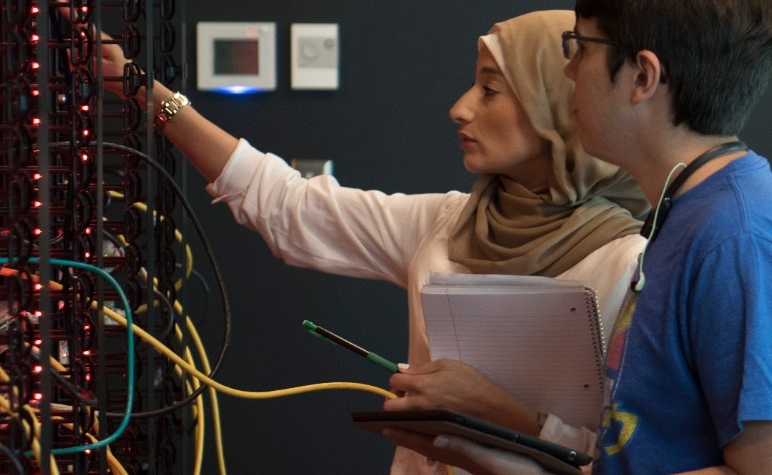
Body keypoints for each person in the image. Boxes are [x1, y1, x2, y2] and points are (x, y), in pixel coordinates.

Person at [80, 9, 648, 474]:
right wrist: (145, 94)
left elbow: (628, 456)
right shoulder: (448, 225)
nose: (461, 108)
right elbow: (288, 204)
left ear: (559, 109)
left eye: (490, 90)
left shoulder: (630, 267)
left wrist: (500, 414)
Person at [396, 0, 772, 473]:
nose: (569, 71)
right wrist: (480, 453)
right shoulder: (686, 217)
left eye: (580, 48)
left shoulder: (740, 237)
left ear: (642, 77)